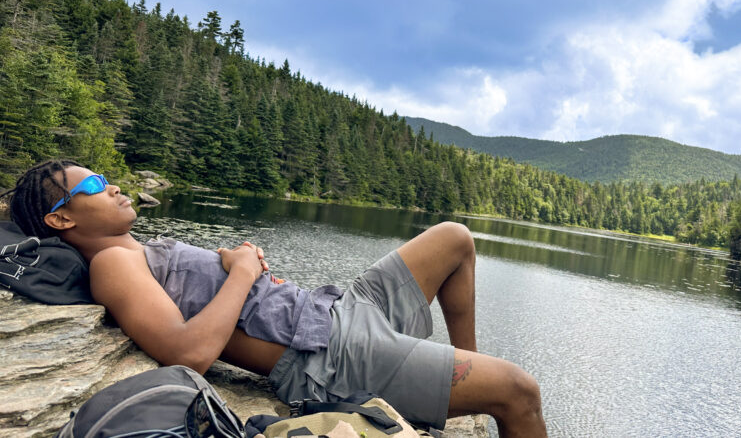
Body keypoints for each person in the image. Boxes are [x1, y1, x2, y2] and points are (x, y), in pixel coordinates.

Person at [2, 160, 547, 437]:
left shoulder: (137, 249)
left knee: (454, 237)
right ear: (61, 219)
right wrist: (241, 271)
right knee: (520, 392)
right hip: (327, 356)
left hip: (340, 309)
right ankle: (463, 386)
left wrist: (247, 275)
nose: (114, 185)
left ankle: (455, 390)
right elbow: (185, 353)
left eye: (106, 177)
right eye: (94, 186)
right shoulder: (113, 263)